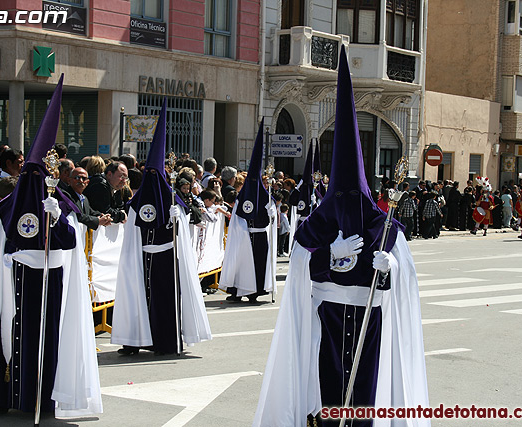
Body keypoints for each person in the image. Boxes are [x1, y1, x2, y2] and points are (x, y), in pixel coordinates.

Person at [254, 48, 428, 426]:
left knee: (367, 392)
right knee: (325, 390)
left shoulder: (383, 225)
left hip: (370, 317)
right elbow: (299, 266)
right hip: (325, 318)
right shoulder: (318, 222)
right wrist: (328, 256)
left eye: (355, 194)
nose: (348, 204)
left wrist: (390, 266)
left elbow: (405, 279)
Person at [0, 76, 102, 416]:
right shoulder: (9, 205)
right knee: (15, 337)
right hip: (16, 282)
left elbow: (69, 243)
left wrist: (57, 220)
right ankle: (12, 395)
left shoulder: (61, 204)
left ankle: (45, 395)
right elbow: (4, 244)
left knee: (50, 339)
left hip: (51, 281)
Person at [111, 102, 211, 356]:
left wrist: (179, 218)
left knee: (165, 300)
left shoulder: (172, 199)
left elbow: (189, 222)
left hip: (167, 257)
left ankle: (166, 341)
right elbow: (132, 228)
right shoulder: (137, 202)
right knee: (138, 297)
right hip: (142, 258)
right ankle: (134, 339)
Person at [219, 122, 278, 304]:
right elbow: (237, 216)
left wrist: (272, 212)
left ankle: (256, 291)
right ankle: (237, 291)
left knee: (258, 265)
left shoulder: (266, 198)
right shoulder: (241, 197)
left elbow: (272, 221)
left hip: (259, 238)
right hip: (244, 236)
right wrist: (242, 229)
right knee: (241, 264)